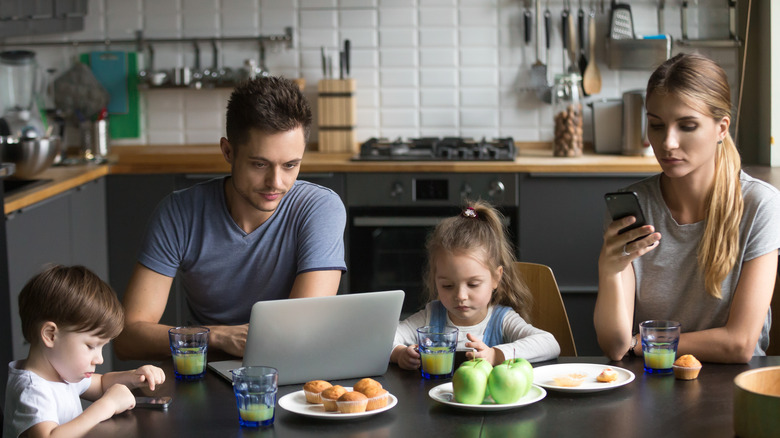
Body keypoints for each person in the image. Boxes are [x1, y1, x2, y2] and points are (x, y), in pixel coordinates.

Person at [114, 76, 347, 361]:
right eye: (259, 164)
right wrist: (220, 337)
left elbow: (301, 330)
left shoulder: (320, 208)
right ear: (228, 151)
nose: (276, 182)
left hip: (288, 368)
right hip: (206, 366)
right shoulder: (179, 212)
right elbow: (128, 337)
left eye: (290, 165)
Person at [594, 53, 780, 363]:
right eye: (656, 125)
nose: (667, 143)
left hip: (731, 386)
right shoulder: (634, 206)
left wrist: (641, 343)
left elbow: (740, 344)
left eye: (687, 126)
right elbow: (614, 346)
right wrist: (609, 269)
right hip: (651, 381)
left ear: (721, 128)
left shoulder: (759, 205)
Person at [391, 200, 560, 369]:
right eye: (448, 286)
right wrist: (399, 353)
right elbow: (383, 339)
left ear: (496, 278)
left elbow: (549, 343)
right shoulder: (430, 317)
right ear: (435, 280)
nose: (460, 296)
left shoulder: (502, 320)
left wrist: (496, 355)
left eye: (473, 284)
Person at [3, 265, 165, 438]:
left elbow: (102, 383)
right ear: (50, 335)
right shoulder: (32, 390)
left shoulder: (61, 372)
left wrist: (134, 377)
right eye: (90, 346)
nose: (100, 359)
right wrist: (107, 405)